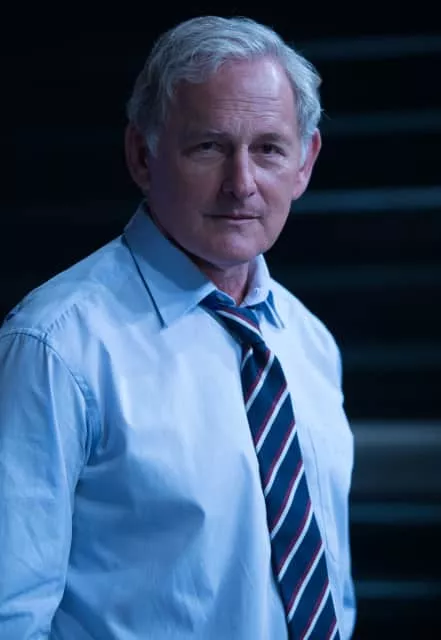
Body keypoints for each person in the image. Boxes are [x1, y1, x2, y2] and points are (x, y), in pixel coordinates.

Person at [0, 15, 356, 639]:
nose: (241, 184)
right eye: (209, 147)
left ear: (305, 163)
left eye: (269, 149)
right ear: (142, 155)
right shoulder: (55, 347)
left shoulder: (310, 343)